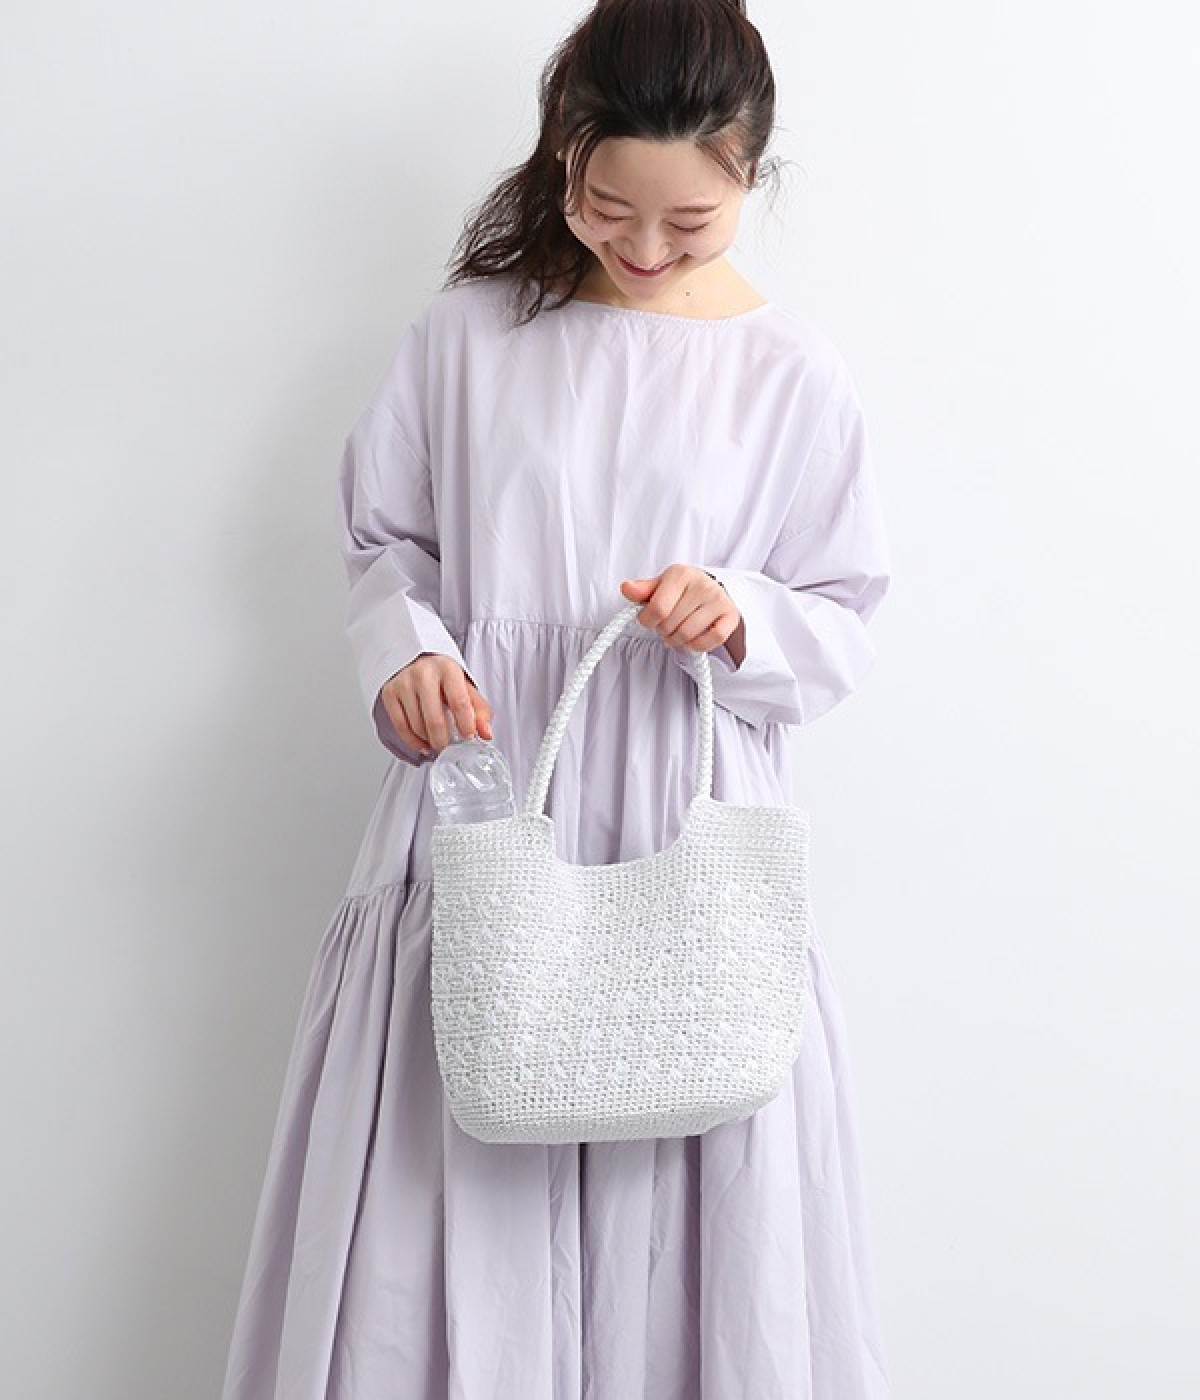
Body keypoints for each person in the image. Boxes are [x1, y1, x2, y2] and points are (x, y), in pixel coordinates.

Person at [220, 1, 894, 1395]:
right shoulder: (466, 337)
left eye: (690, 222)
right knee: (447, 1161)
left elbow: (841, 618)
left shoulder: (795, 376)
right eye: (606, 208)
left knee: (692, 1160)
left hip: (683, 825)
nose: (644, 250)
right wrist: (407, 652)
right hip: (484, 804)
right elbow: (385, 547)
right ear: (563, 152)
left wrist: (739, 615)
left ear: (751, 176)